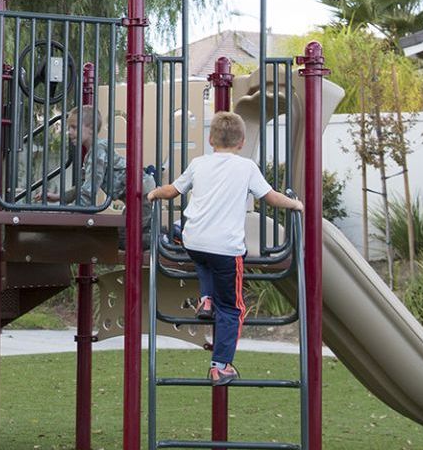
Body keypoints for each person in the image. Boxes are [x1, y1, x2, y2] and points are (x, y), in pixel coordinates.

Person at [145, 111, 303, 386]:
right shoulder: (246, 167)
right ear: (241, 142)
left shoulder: (198, 164)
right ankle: (221, 366)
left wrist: (154, 193)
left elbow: (172, 191)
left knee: (205, 259)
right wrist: (296, 204)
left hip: (193, 240)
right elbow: (271, 197)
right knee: (232, 309)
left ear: (210, 139)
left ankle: (206, 299)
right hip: (224, 248)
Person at [44, 106, 128, 207]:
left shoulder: (98, 150)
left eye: (74, 127)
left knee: (133, 222)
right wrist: (58, 197)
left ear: (91, 128)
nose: (69, 132)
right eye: (69, 128)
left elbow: (90, 190)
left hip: (142, 194)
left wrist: (72, 212)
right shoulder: (91, 153)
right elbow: (83, 186)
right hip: (135, 196)